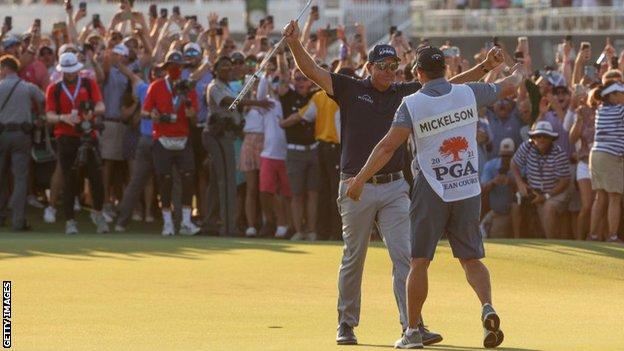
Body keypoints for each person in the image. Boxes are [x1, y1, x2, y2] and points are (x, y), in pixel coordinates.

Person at [283, 18, 504, 346]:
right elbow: (313, 71)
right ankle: (346, 324)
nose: (390, 71)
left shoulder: (407, 93)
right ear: (369, 67)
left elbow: (449, 85)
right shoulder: (349, 87)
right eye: (383, 65)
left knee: (406, 256)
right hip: (354, 187)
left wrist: (484, 66)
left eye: (394, 65)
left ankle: (411, 326)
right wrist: (294, 44)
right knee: (353, 258)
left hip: (394, 187)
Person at [344, 46, 523, 349]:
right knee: (471, 259)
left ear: (419, 72)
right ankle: (487, 307)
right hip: (467, 186)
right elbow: (512, 85)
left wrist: (360, 178)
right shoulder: (469, 93)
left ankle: (413, 331)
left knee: (419, 262)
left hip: (432, 188)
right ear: (444, 70)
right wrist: (513, 62)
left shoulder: (411, 104)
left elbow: (388, 147)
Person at [204, 55, 273, 236]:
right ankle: (228, 227)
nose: (227, 69)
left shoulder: (227, 86)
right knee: (227, 180)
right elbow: (231, 103)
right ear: (216, 69)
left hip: (229, 135)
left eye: (229, 66)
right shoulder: (215, 86)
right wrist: (257, 103)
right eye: (223, 66)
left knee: (217, 181)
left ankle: (212, 223)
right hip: (217, 135)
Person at [44, 52, 109, 235]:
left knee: (96, 178)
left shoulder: (88, 83)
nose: (70, 74)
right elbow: (49, 115)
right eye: (67, 71)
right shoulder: (54, 88)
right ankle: (70, 221)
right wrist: (62, 117)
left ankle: (99, 214)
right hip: (66, 137)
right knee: (69, 180)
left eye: (73, 70)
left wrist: (91, 113)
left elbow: (101, 105)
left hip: (88, 134)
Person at [142, 50, 200, 236]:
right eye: (172, 67)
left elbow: (192, 117)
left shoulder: (188, 88)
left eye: (178, 67)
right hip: (162, 139)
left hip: (182, 138)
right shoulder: (156, 86)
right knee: (164, 181)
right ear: (166, 69)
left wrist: (187, 102)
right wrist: (154, 115)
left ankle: (185, 221)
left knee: (188, 179)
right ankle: (167, 223)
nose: (175, 70)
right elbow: (145, 111)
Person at [0, 54, 45, 230]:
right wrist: (39, 117)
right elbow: (42, 98)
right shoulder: (27, 87)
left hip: (2, 134)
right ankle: (18, 221)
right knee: (20, 178)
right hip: (22, 134)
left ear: (4, 68)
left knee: (1, 177)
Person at [511, 121, 570, 239]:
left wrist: (546, 196)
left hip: (556, 191)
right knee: (515, 204)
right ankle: (516, 240)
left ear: (551, 139)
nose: (541, 139)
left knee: (548, 208)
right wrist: (520, 183)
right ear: (533, 137)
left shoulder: (559, 153)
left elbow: (564, 182)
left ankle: (551, 244)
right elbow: (514, 164)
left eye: (545, 136)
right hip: (534, 190)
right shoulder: (526, 147)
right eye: (538, 135)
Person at [279, 68, 319, 241]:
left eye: (304, 78)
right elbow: (281, 77)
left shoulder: (316, 96)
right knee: (297, 194)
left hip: (314, 149)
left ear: (310, 81)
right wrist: (282, 54)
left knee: (313, 193)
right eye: (297, 79)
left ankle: (311, 231)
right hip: (295, 151)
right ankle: (298, 231)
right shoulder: (288, 96)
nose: (301, 82)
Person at [587, 79, 624, 243]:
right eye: (622, 93)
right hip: (610, 156)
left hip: (596, 155)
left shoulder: (600, 109)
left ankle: (593, 235)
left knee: (600, 197)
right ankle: (613, 236)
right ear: (613, 96)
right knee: (614, 197)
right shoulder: (620, 110)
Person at [480, 138, 520, 238]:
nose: (505, 159)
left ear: (514, 155)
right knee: (485, 234)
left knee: (496, 234)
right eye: (503, 156)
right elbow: (481, 189)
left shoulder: (520, 165)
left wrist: (511, 182)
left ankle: (517, 238)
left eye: (508, 156)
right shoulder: (490, 166)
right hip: (495, 211)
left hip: (512, 212)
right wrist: (493, 182)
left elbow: (524, 191)